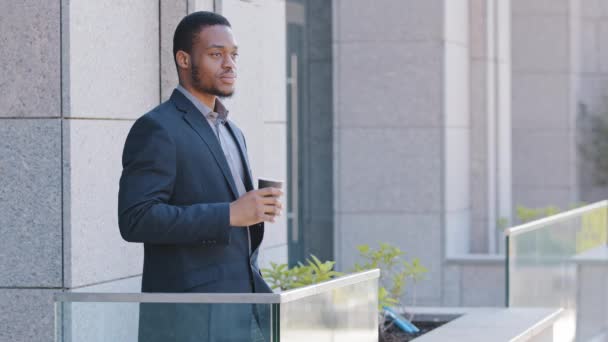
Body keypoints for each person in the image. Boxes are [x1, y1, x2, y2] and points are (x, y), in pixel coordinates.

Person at [118, 11, 282, 341]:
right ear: (183, 59)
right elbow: (135, 219)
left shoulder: (234, 131)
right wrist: (230, 214)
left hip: (242, 311)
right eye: (216, 54)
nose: (230, 64)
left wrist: (256, 211)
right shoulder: (158, 128)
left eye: (234, 55)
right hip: (189, 321)